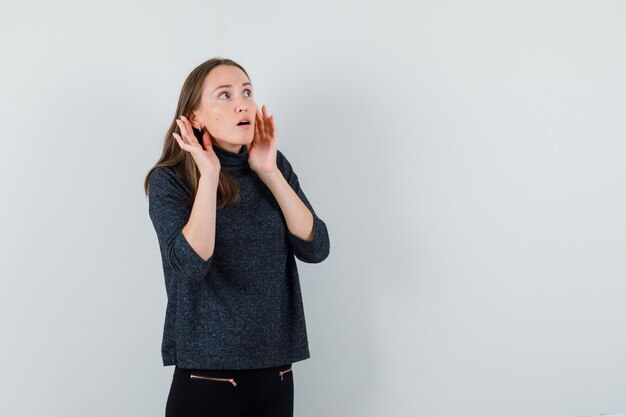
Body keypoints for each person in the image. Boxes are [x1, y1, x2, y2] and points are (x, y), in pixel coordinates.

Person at [143, 57, 330, 417]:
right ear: (195, 116)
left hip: (275, 370)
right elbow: (191, 265)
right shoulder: (171, 179)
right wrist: (209, 173)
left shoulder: (274, 165)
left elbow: (316, 247)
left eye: (246, 91)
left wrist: (269, 171)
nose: (242, 103)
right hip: (206, 376)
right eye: (224, 95)